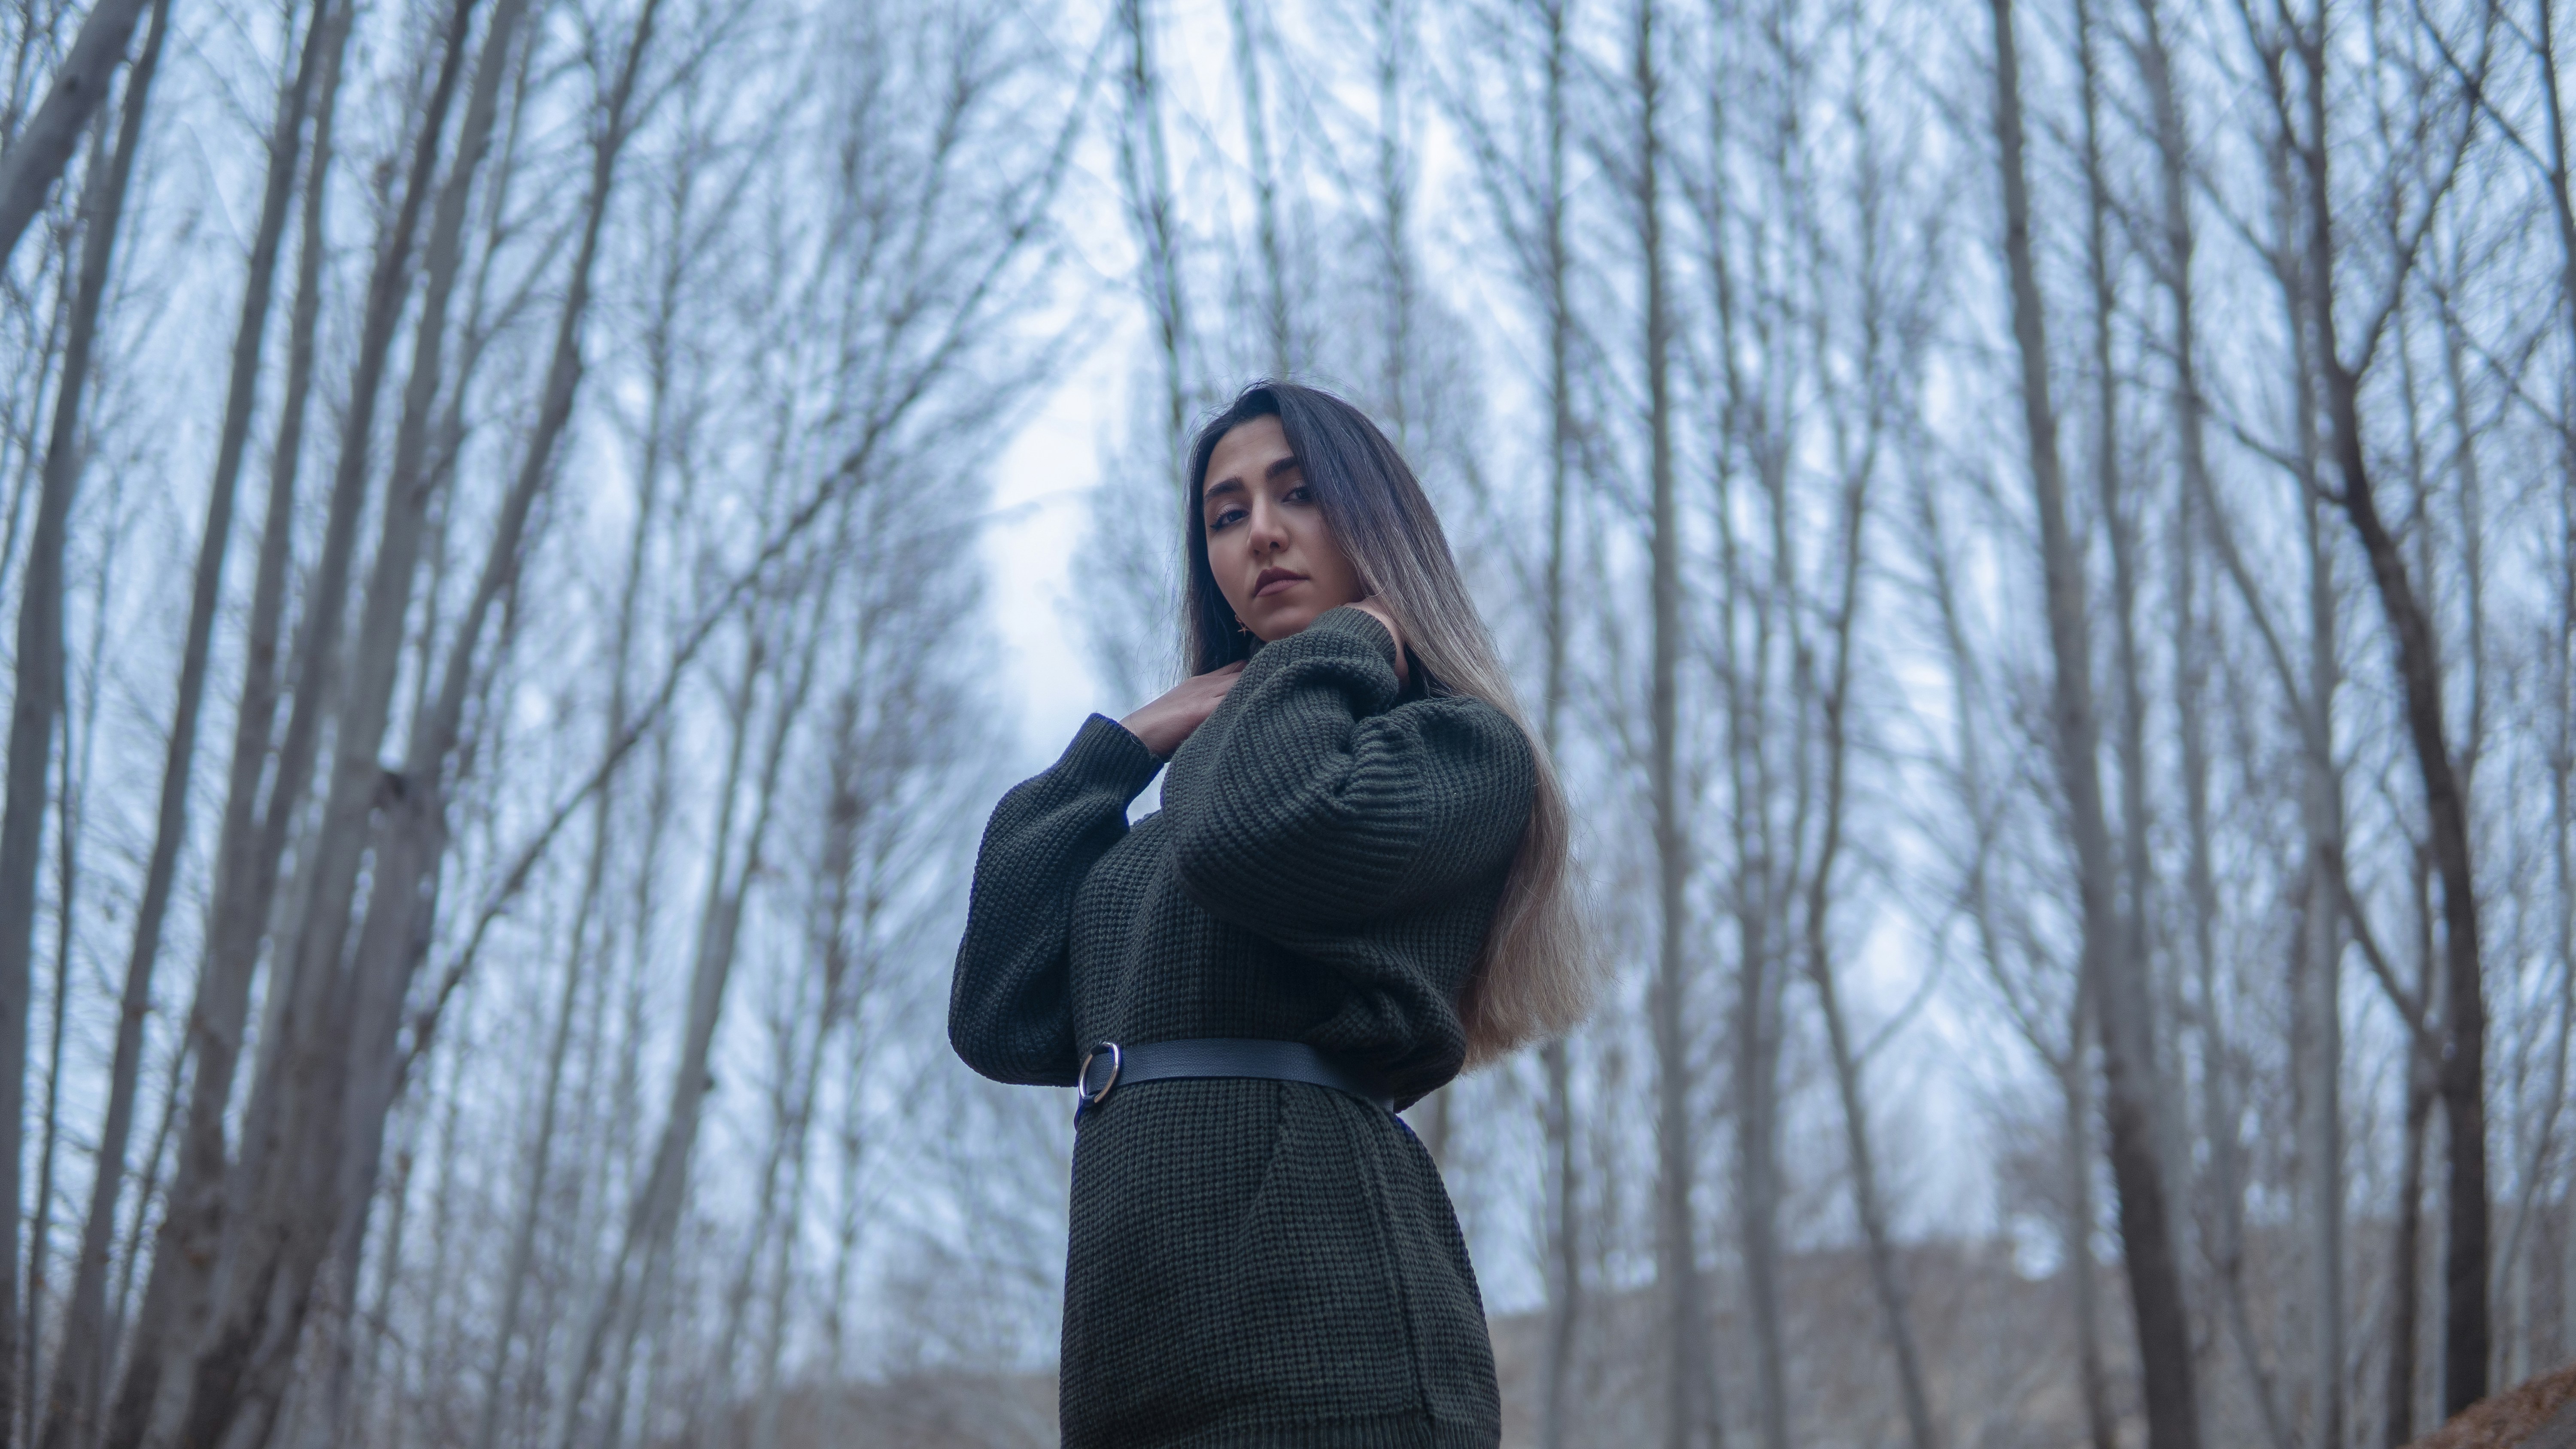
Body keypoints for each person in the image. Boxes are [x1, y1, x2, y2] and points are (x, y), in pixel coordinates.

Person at [951, 380, 1592, 1447]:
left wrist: (1332, 647)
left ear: (1377, 526)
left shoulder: (1458, 752)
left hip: (1334, 1346)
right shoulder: (1181, 820)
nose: (1264, 533)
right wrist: (1124, 741)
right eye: (1228, 512)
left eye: (1300, 493)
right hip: (1133, 1353)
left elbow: (1260, 832)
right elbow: (999, 1011)